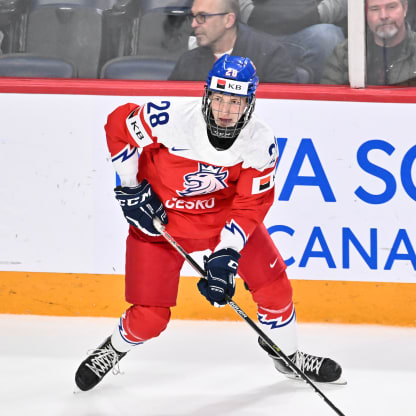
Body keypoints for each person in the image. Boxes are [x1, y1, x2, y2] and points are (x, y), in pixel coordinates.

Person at [75, 54, 344, 392]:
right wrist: (130, 187)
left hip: (220, 222)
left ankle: (287, 356)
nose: (225, 110)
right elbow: (118, 126)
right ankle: (112, 349)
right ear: (206, 95)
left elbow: (250, 203)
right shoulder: (168, 119)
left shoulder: (260, 142)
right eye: (219, 98)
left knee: (276, 290)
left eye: (235, 101)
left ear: (249, 103)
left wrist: (227, 253)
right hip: (158, 226)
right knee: (150, 318)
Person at [168, 0, 302, 83]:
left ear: (229, 20)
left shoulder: (271, 54)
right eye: (193, 16)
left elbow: (284, 111)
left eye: (202, 16)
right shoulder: (188, 61)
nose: (194, 24)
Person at [238, 0, 347, 83]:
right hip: (254, 29)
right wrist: (250, 13)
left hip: (312, 30)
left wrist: (317, 13)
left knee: (327, 36)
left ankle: (321, 102)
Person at [321, 0, 416, 85]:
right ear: (365, 14)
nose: (383, 16)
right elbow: (328, 101)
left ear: (405, 9)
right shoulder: (345, 53)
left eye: (391, 7)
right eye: (375, 9)